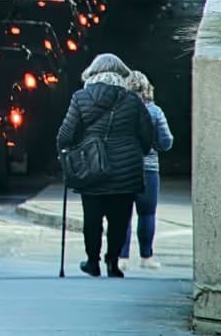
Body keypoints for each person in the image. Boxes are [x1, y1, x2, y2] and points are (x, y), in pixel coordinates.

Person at [56, 53, 155, 277]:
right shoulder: (132, 100)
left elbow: (65, 134)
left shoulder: (80, 98)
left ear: (92, 73)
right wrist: (140, 152)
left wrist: (67, 156)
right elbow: (147, 136)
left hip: (92, 167)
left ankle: (92, 261)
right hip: (126, 169)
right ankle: (113, 262)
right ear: (121, 74)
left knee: (92, 218)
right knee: (119, 219)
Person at [118, 71, 173, 270]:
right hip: (148, 169)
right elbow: (166, 142)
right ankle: (146, 257)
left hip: (123, 168)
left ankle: (121, 258)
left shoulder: (117, 111)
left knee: (122, 214)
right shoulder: (155, 112)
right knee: (147, 213)